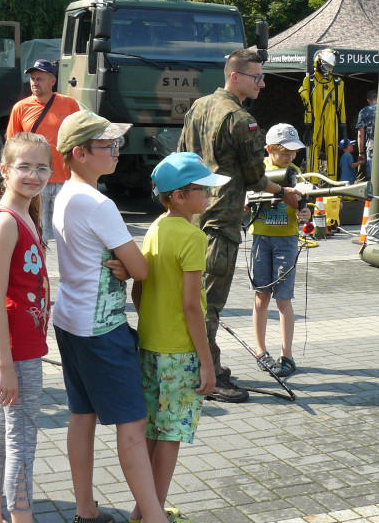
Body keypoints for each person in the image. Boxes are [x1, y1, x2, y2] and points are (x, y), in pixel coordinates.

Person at [51, 110, 170, 523]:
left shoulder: (64, 194)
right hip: (101, 328)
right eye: (108, 145)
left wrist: (118, 261)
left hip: (69, 320)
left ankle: (86, 508)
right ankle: (154, 516)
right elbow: (140, 268)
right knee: (133, 425)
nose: (117, 152)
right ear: (80, 152)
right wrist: (125, 263)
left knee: (81, 416)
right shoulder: (98, 203)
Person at [177, 49, 299, 403]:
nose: (262, 83)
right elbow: (255, 176)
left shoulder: (198, 107)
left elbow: (183, 158)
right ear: (235, 76)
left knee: (193, 298)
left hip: (194, 219)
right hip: (221, 225)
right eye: (256, 77)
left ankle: (198, 366)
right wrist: (284, 191)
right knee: (208, 304)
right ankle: (208, 375)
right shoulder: (241, 118)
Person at [128, 153, 227, 523]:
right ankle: (153, 515)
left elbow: (139, 289)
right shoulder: (193, 236)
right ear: (180, 195)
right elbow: (191, 307)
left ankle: (143, 511)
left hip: (150, 345)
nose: (209, 197)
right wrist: (207, 362)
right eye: (203, 190)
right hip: (180, 352)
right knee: (170, 437)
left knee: (153, 430)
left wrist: (152, 319)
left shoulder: (155, 228)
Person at [0, 132, 52, 523]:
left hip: (18, 343)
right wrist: (6, 365)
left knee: (3, 435)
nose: (33, 175)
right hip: (14, 347)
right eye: (24, 167)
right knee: (21, 439)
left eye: (42, 167)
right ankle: (21, 517)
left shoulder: (27, 212)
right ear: (4, 170)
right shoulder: (6, 222)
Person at [249, 124, 310, 379]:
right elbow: (246, 198)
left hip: (286, 240)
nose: (291, 158)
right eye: (286, 153)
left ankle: (287, 355)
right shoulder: (258, 170)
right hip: (261, 239)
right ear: (270, 149)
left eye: (294, 153)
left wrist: (305, 211)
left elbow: (304, 207)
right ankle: (261, 351)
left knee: (283, 300)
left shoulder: (295, 172)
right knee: (261, 297)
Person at [6, 59, 79, 241]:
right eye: (32, 79)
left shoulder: (70, 104)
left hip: (65, 181)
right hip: (34, 181)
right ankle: (39, 269)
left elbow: (79, 141)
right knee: (38, 236)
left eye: (39, 78)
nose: (34, 82)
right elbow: (11, 146)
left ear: (52, 81)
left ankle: (68, 270)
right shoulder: (20, 108)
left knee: (69, 236)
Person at [298, 49, 347, 177]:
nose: (326, 70)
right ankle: (312, 182)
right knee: (314, 148)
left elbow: (341, 107)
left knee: (332, 148)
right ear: (318, 62)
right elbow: (307, 105)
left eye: (329, 67)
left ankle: (333, 182)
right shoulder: (309, 81)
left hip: (331, 120)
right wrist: (308, 127)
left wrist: (344, 129)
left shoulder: (338, 83)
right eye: (325, 66)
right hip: (315, 121)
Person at [355, 90, 378, 180]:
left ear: (368, 100)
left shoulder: (364, 112)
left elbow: (360, 134)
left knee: (373, 178)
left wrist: (361, 152)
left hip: (372, 147)